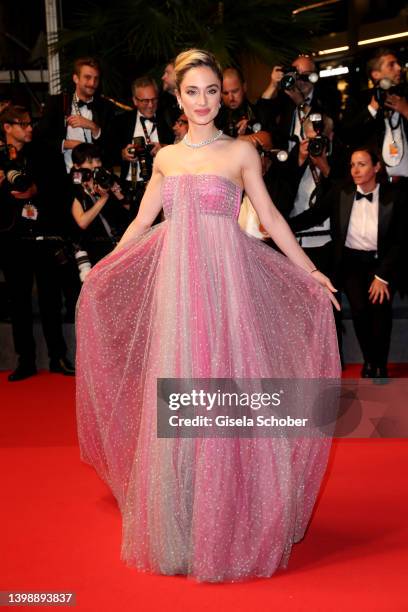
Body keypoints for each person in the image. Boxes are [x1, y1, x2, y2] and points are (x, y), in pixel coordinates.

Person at [76, 49, 340, 582]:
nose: (202, 101)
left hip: (226, 290)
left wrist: (310, 272)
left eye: (212, 91)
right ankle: (184, 520)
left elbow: (270, 217)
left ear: (224, 95)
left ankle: (235, 519)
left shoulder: (241, 152)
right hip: (178, 294)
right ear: (178, 98)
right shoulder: (166, 159)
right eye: (192, 92)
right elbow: (141, 224)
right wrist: (104, 268)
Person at [289, 148, 406, 379]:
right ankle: (370, 361)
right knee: (360, 312)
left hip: (380, 264)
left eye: (362, 164)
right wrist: (280, 225)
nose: (355, 169)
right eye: (352, 164)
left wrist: (382, 276)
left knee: (380, 313)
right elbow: (314, 215)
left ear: (376, 167)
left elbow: (401, 241)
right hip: (351, 263)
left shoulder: (394, 196)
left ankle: (380, 363)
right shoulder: (341, 191)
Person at [0, 105, 75, 381]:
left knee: (50, 300)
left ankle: (58, 357)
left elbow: (61, 188)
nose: (30, 128)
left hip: (43, 235)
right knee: (18, 301)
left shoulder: (42, 151)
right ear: (7, 127)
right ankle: (26, 360)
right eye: (23, 124)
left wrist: (36, 189)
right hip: (10, 238)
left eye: (30, 123)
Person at [108, 76, 173, 218]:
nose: (150, 105)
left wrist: (165, 148)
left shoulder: (168, 119)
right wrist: (122, 154)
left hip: (162, 189)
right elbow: (108, 152)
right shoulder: (121, 122)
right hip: (131, 190)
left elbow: (183, 150)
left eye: (154, 99)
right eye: (145, 100)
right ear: (135, 101)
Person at [70, 143, 129, 268]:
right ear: (77, 166)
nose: (95, 165)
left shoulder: (107, 179)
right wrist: (103, 198)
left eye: (97, 160)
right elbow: (82, 222)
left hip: (120, 245)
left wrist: (119, 195)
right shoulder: (74, 189)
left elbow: (130, 211)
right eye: (90, 162)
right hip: (94, 252)